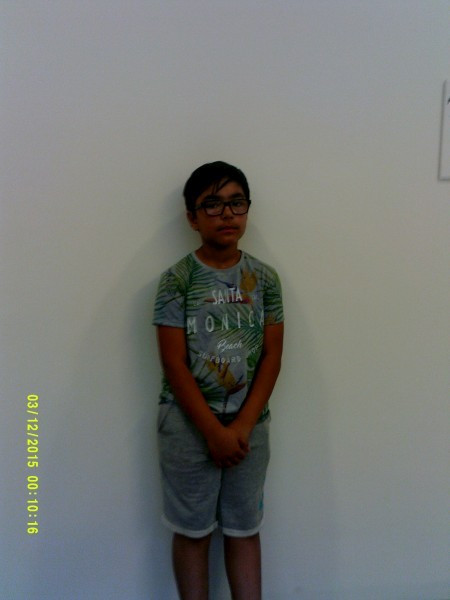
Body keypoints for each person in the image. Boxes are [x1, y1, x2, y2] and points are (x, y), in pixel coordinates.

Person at [153, 161, 284, 600]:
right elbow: (173, 363)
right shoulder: (176, 280)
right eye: (212, 204)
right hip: (188, 426)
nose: (227, 214)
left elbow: (272, 356)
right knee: (192, 532)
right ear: (192, 217)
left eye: (236, 203)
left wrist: (241, 426)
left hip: (249, 427)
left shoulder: (265, 280)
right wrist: (212, 431)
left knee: (244, 529)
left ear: (247, 209)